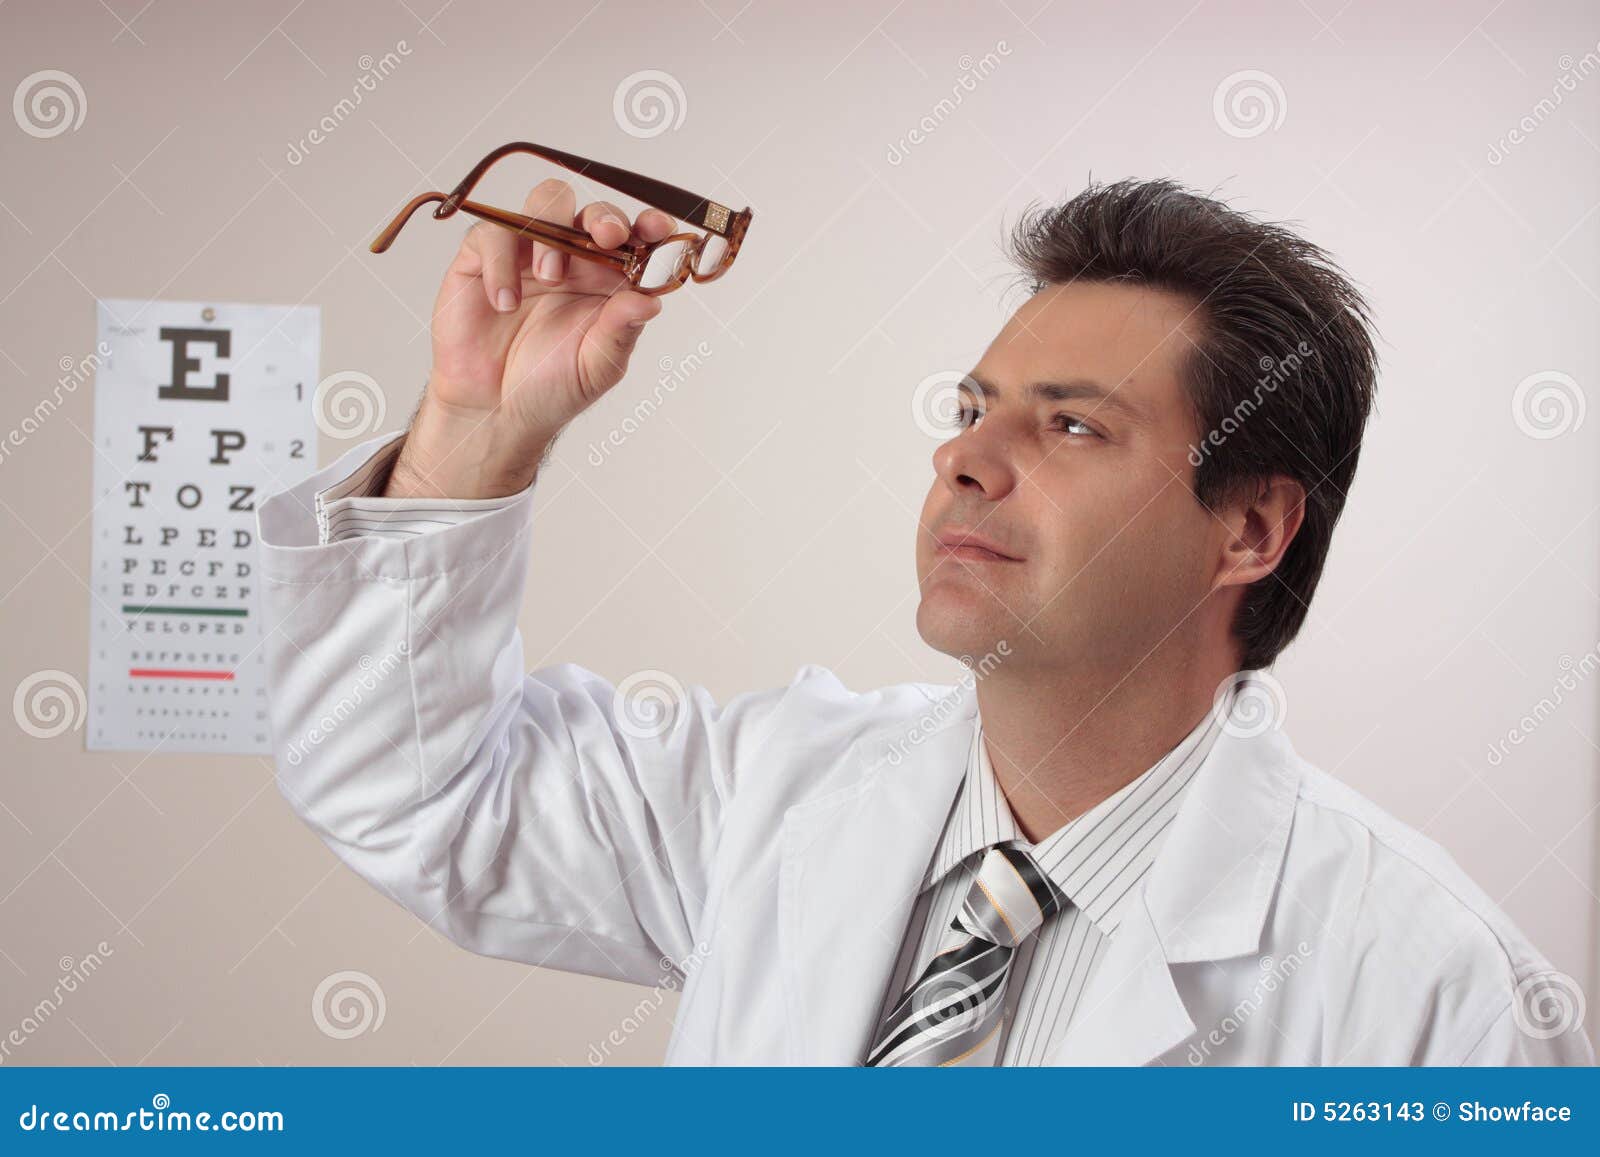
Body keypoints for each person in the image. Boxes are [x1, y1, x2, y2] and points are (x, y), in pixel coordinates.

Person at [258, 175, 1593, 1066]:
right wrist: (476, 431)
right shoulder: (775, 796)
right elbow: (417, 794)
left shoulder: (1438, 996)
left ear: (1248, 529)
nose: (965, 459)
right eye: (971, 410)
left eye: (1073, 425)